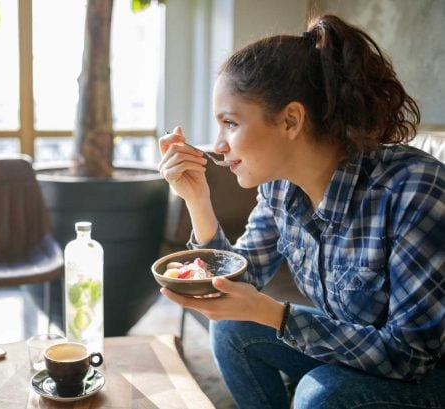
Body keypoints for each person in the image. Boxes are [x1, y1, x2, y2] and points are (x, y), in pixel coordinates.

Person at [158, 14, 445, 409]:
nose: (219, 144)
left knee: (320, 394)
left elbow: (411, 355)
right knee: (232, 329)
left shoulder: (413, 190)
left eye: (230, 123)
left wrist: (278, 316)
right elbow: (242, 277)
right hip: (358, 351)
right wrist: (197, 199)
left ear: (291, 120)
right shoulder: (279, 187)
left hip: (427, 376)